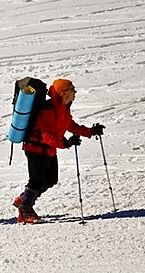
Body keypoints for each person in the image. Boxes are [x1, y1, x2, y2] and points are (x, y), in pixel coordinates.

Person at [14, 78, 104, 223]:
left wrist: (91, 131)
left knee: (50, 180)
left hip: (49, 150)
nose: (75, 92)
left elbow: (71, 126)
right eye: (72, 89)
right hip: (35, 148)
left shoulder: (63, 108)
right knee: (37, 181)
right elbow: (45, 135)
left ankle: (24, 199)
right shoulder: (47, 110)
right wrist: (66, 143)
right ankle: (26, 210)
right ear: (64, 93)